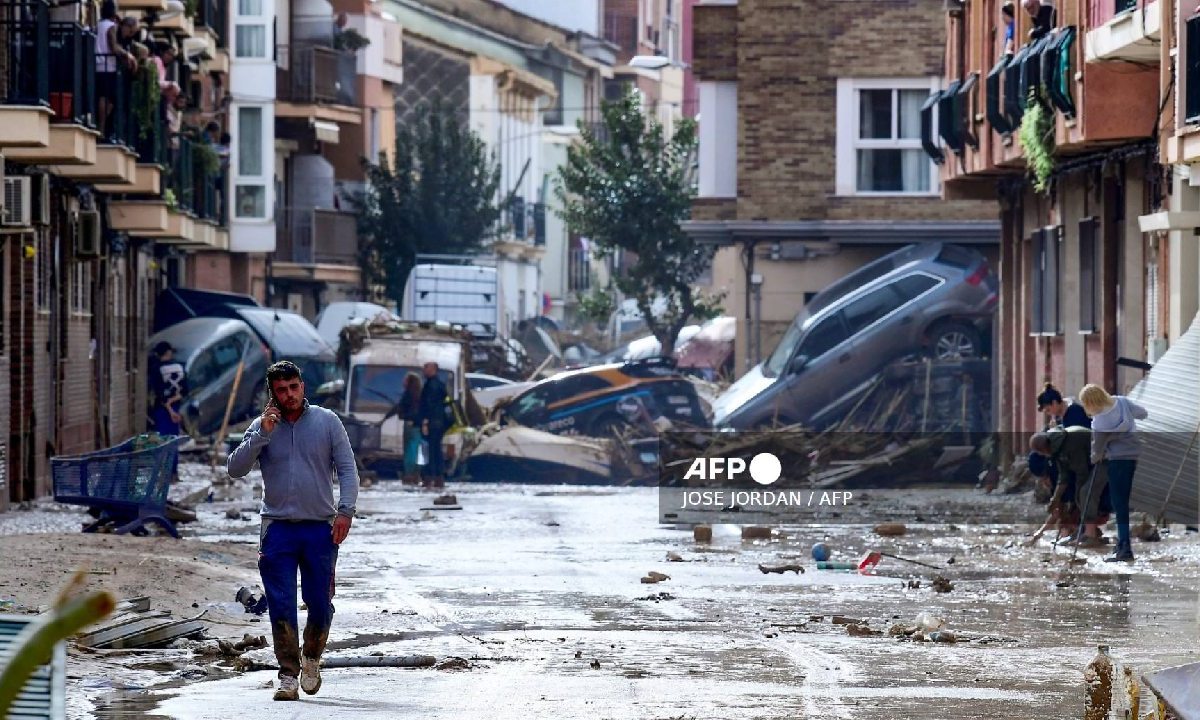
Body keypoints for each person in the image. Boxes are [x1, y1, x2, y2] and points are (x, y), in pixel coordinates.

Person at [227, 361, 359, 702]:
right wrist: (262, 435)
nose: (289, 395)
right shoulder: (262, 427)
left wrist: (346, 511)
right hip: (278, 529)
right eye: (282, 390)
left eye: (294, 387)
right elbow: (235, 469)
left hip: (320, 529)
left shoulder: (327, 422)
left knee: (319, 603)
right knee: (281, 604)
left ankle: (311, 657)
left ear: (303, 386)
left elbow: (347, 469)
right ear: (273, 394)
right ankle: (287, 674)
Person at [1080, 383, 1147, 563]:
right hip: (1132, 456)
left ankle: (1124, 548)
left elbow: (1096, 454)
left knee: (1120, 505)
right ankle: (1121, 545)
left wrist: (1100, 450)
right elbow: (1143, 413)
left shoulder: (1099, 421)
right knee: (1121, 502)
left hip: (1116, 461)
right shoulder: (1122, 402)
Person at [1030, 426, 1107, 546]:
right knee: (1079, 497)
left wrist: (1077, 495)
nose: (1044, 456)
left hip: (1105, 458)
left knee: (1084, 493)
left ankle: (1091, 535)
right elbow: (1063, 476)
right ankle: (1083, 531)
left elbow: (1082, 472)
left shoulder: (1069, 443)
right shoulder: (1056, 449)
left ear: (1045, 448)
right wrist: (1055, 498)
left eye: (1042, 453)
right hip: (1092, 462)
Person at [383, 372, 423, 483]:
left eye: (405, 380)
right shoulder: (420, 394)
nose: (403, 382)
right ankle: (416, 473)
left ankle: (409, 474)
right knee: (416, 449)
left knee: (409, 450)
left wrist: (386, 417)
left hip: (409, 423)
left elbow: (399, 407)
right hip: (418, 425)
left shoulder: (408, 394)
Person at [417, 361, 451, 488]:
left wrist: (425, 421)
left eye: (426, 368)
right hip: (439, 423)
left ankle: (431, 477)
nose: (424, 370)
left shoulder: (431, 386)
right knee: (436, 450)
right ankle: (438, 476)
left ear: (434, 369)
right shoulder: (440, 385)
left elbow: (429, 405)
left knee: (431, 451)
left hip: (433, 423)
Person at [149, 341, 187, 435]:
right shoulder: (180, 367)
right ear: (169, 353)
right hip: (177, 407)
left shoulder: (156, 369)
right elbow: (185, 390)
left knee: (163, 439)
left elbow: (159, 393)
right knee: (174, 438)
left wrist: (170, 410)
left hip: (163, 409)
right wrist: (173, 404)